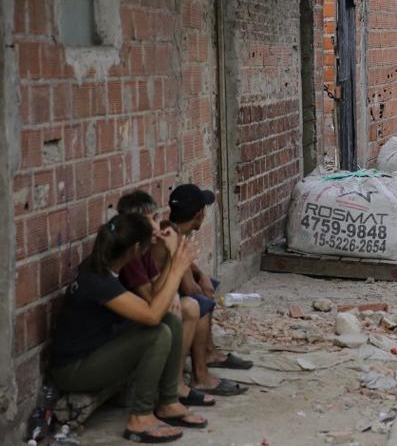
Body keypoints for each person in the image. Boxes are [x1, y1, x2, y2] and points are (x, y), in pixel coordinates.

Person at [49, 214, 206, 443]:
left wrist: (174, 259)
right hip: (74, 370)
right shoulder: (99, 280)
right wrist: (177, 269)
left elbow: (156, 303)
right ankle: (140, 417)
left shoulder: (106, 265)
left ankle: (168, 402)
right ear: (135, 250)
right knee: (157, 334)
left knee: (170, 320)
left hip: (99, 347)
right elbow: (152, 316)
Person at [116, 191, 216, 407]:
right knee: (188, 306)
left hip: (145, 311)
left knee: (188, 306)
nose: (156, 225)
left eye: (156, 217)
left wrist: (173, 257)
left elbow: (157, 287)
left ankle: (176, 382)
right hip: (126, 324)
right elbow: (153, 299)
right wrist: (176, 257)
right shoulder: (132, 255)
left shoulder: (144, 250)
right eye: (151, 219)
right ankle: (170, 388)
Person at [169, 184, 253, 395]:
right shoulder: (175, 238)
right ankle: (201, 376)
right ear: (199, 215)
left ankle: (209, 351)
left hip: (167, 291)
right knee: (202, 302)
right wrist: (202, 288)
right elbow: (189, 288)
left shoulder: (174, 230)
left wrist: (203, 276)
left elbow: (189, 268)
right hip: (164, 299)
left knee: (209, 286)